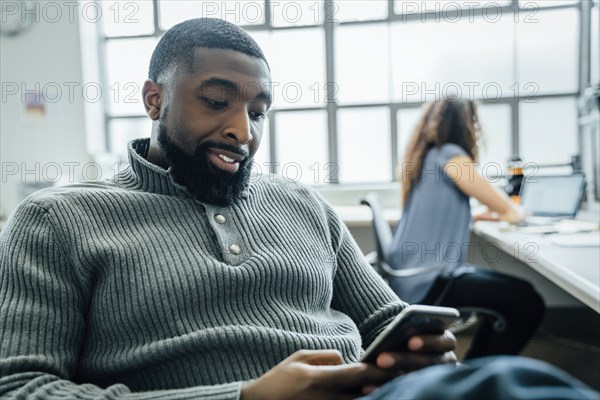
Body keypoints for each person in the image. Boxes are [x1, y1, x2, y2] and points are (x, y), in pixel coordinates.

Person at [0, 18, 596, 400]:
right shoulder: (58, 221)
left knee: (515, 386)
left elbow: (381, 320)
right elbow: (23, 389)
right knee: (513, 384)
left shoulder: (301, 204)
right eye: (215, 102)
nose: (243, 130)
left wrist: (416, 350)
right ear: (154, 99)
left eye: (258, 111)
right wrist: (244, 398)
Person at [389, 99, 545, 359]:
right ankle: (478, 376)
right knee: (527, 302)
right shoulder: (451, 155)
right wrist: (520, 211)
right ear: (465, 124)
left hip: (411, 277)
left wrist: (474, 216)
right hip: (432, 281)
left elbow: (439, 208)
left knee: (518, 295)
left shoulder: (427, 157)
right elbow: (510, 211)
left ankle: (477, 370)